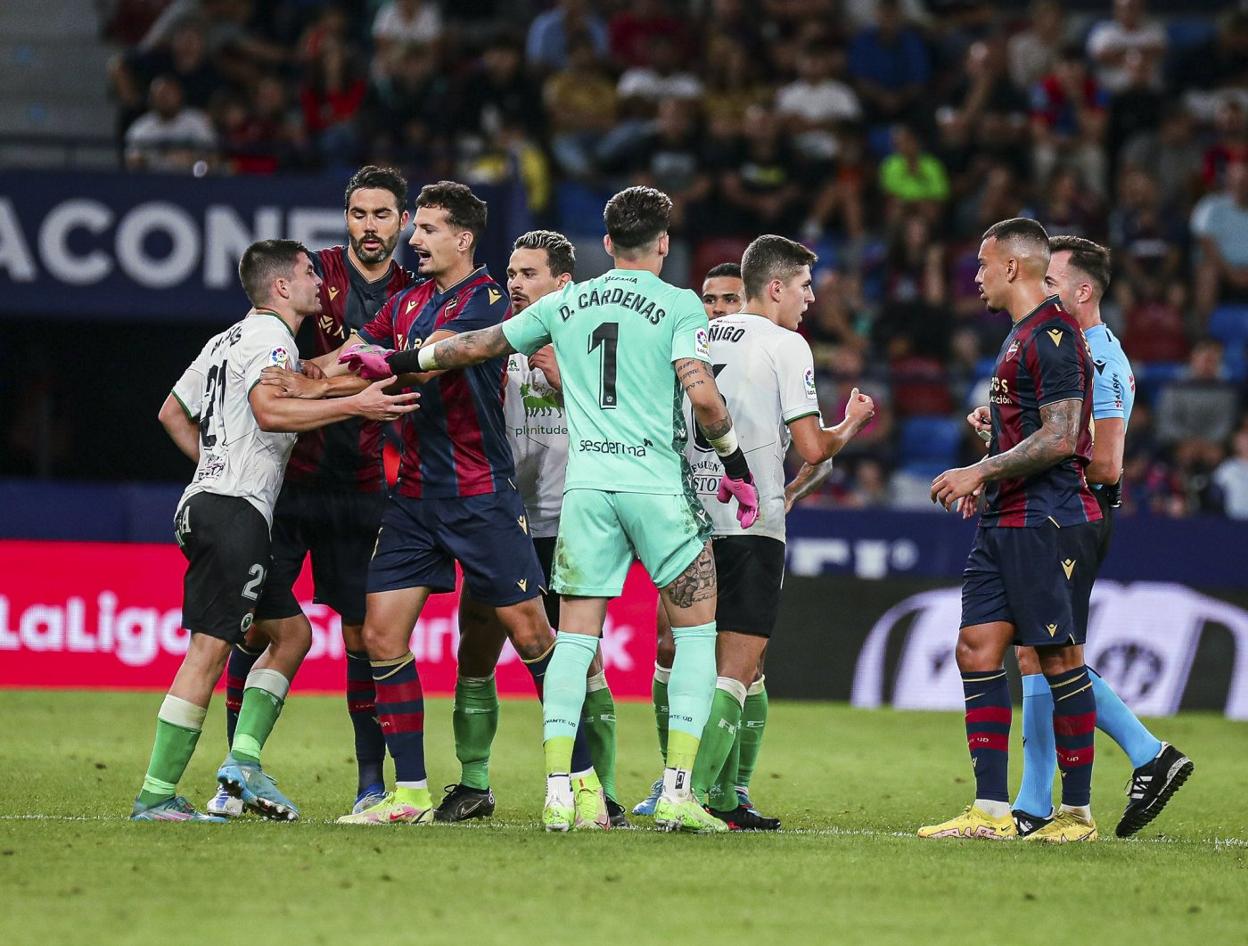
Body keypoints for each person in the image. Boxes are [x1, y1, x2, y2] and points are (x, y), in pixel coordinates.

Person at [360, 186, 761, 833]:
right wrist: (735, 465)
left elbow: (472, 347)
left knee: (569, 640)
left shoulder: (569, 303)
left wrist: (399, 359)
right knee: (692, 634)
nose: (516, 283)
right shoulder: (679, 304)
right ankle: (679, 789)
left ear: (605, 244)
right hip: (655, 490)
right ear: (663, 244)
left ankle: (558, 791)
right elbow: (706, 401)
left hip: (584, 496)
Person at [299, 182, 603, 827]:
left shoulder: (491, 300)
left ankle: (581, 783)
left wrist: (366, 365)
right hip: (411, 496)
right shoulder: (406, 298)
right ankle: (408, 792)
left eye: (429, 229)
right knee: (381, 636)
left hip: (480, 496)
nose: (414, 238)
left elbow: (417, 367)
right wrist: (310, 374)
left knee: (532, 636)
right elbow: (362, 352)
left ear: (463, 239)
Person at [130, 239, 418, 822]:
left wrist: (212, 470)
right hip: (233, 511)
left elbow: (171, 412)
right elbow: (270, 410)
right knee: (208, 653)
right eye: (309, 272)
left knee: (290, 636)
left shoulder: (226, 339)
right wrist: (356, 407)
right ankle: (156, 795)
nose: (320, 279)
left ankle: (244, 762)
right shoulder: (271, 338)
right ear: (282, 286)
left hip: (212, 504)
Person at [206, 166, 420, 820]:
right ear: (346, 218)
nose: (370, 228)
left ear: (403, 221)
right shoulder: (310, 277)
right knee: (251, 627)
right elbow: (273, 369)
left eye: (383, 215)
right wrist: (329, 374)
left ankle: (369, 784)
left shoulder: (416, 295)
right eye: (359, 214)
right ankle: (237, 776)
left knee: (362, 638)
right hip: (289, 484)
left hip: (363, 489)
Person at [968, 235, 1193, 838]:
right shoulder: (1056, 345)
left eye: (1053, 281)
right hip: (1046, 507)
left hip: (1072, 512)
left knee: (1053, 652)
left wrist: (1033, 460)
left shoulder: (1099, 356)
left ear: (1082, 291)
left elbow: (1109, 462)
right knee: (1033, 652)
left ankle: (1140, 757)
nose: (1043, 290)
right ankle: (1035, 801)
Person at [681, 236, 874, 829]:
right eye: (805, 287)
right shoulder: (787, 345)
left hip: (687, 515)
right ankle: (697, 797)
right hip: (750, 519)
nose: (811, 299)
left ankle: (682, 788)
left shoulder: (696, 335)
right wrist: (850, 424)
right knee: (738, 666)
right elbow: (814, 449)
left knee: (687, 656)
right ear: (775, 287)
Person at [921, 218, 1102, 844]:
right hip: (1005, 517)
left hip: (1045, 519)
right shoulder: (1019, 337)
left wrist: (979, 470)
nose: (974, 276)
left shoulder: (1053, 334)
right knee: (975, 647)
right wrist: (993, 448)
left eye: (982, 263)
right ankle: (991, 810)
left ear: (1012, 267)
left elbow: (1060, 436)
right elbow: (1034, 427)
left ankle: (1075, 813)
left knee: (1056, 656)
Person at [443, 229, 625, 828]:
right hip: (500, 521)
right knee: (476, 649)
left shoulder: (593, 347)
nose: (515, 284)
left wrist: (564, 377)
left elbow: (623, 425)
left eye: (528, 274)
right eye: (512, 273)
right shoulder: (493, 344)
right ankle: (473, 783)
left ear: (562, 284)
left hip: (570, 522)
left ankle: (600, 790)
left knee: (584, 660)